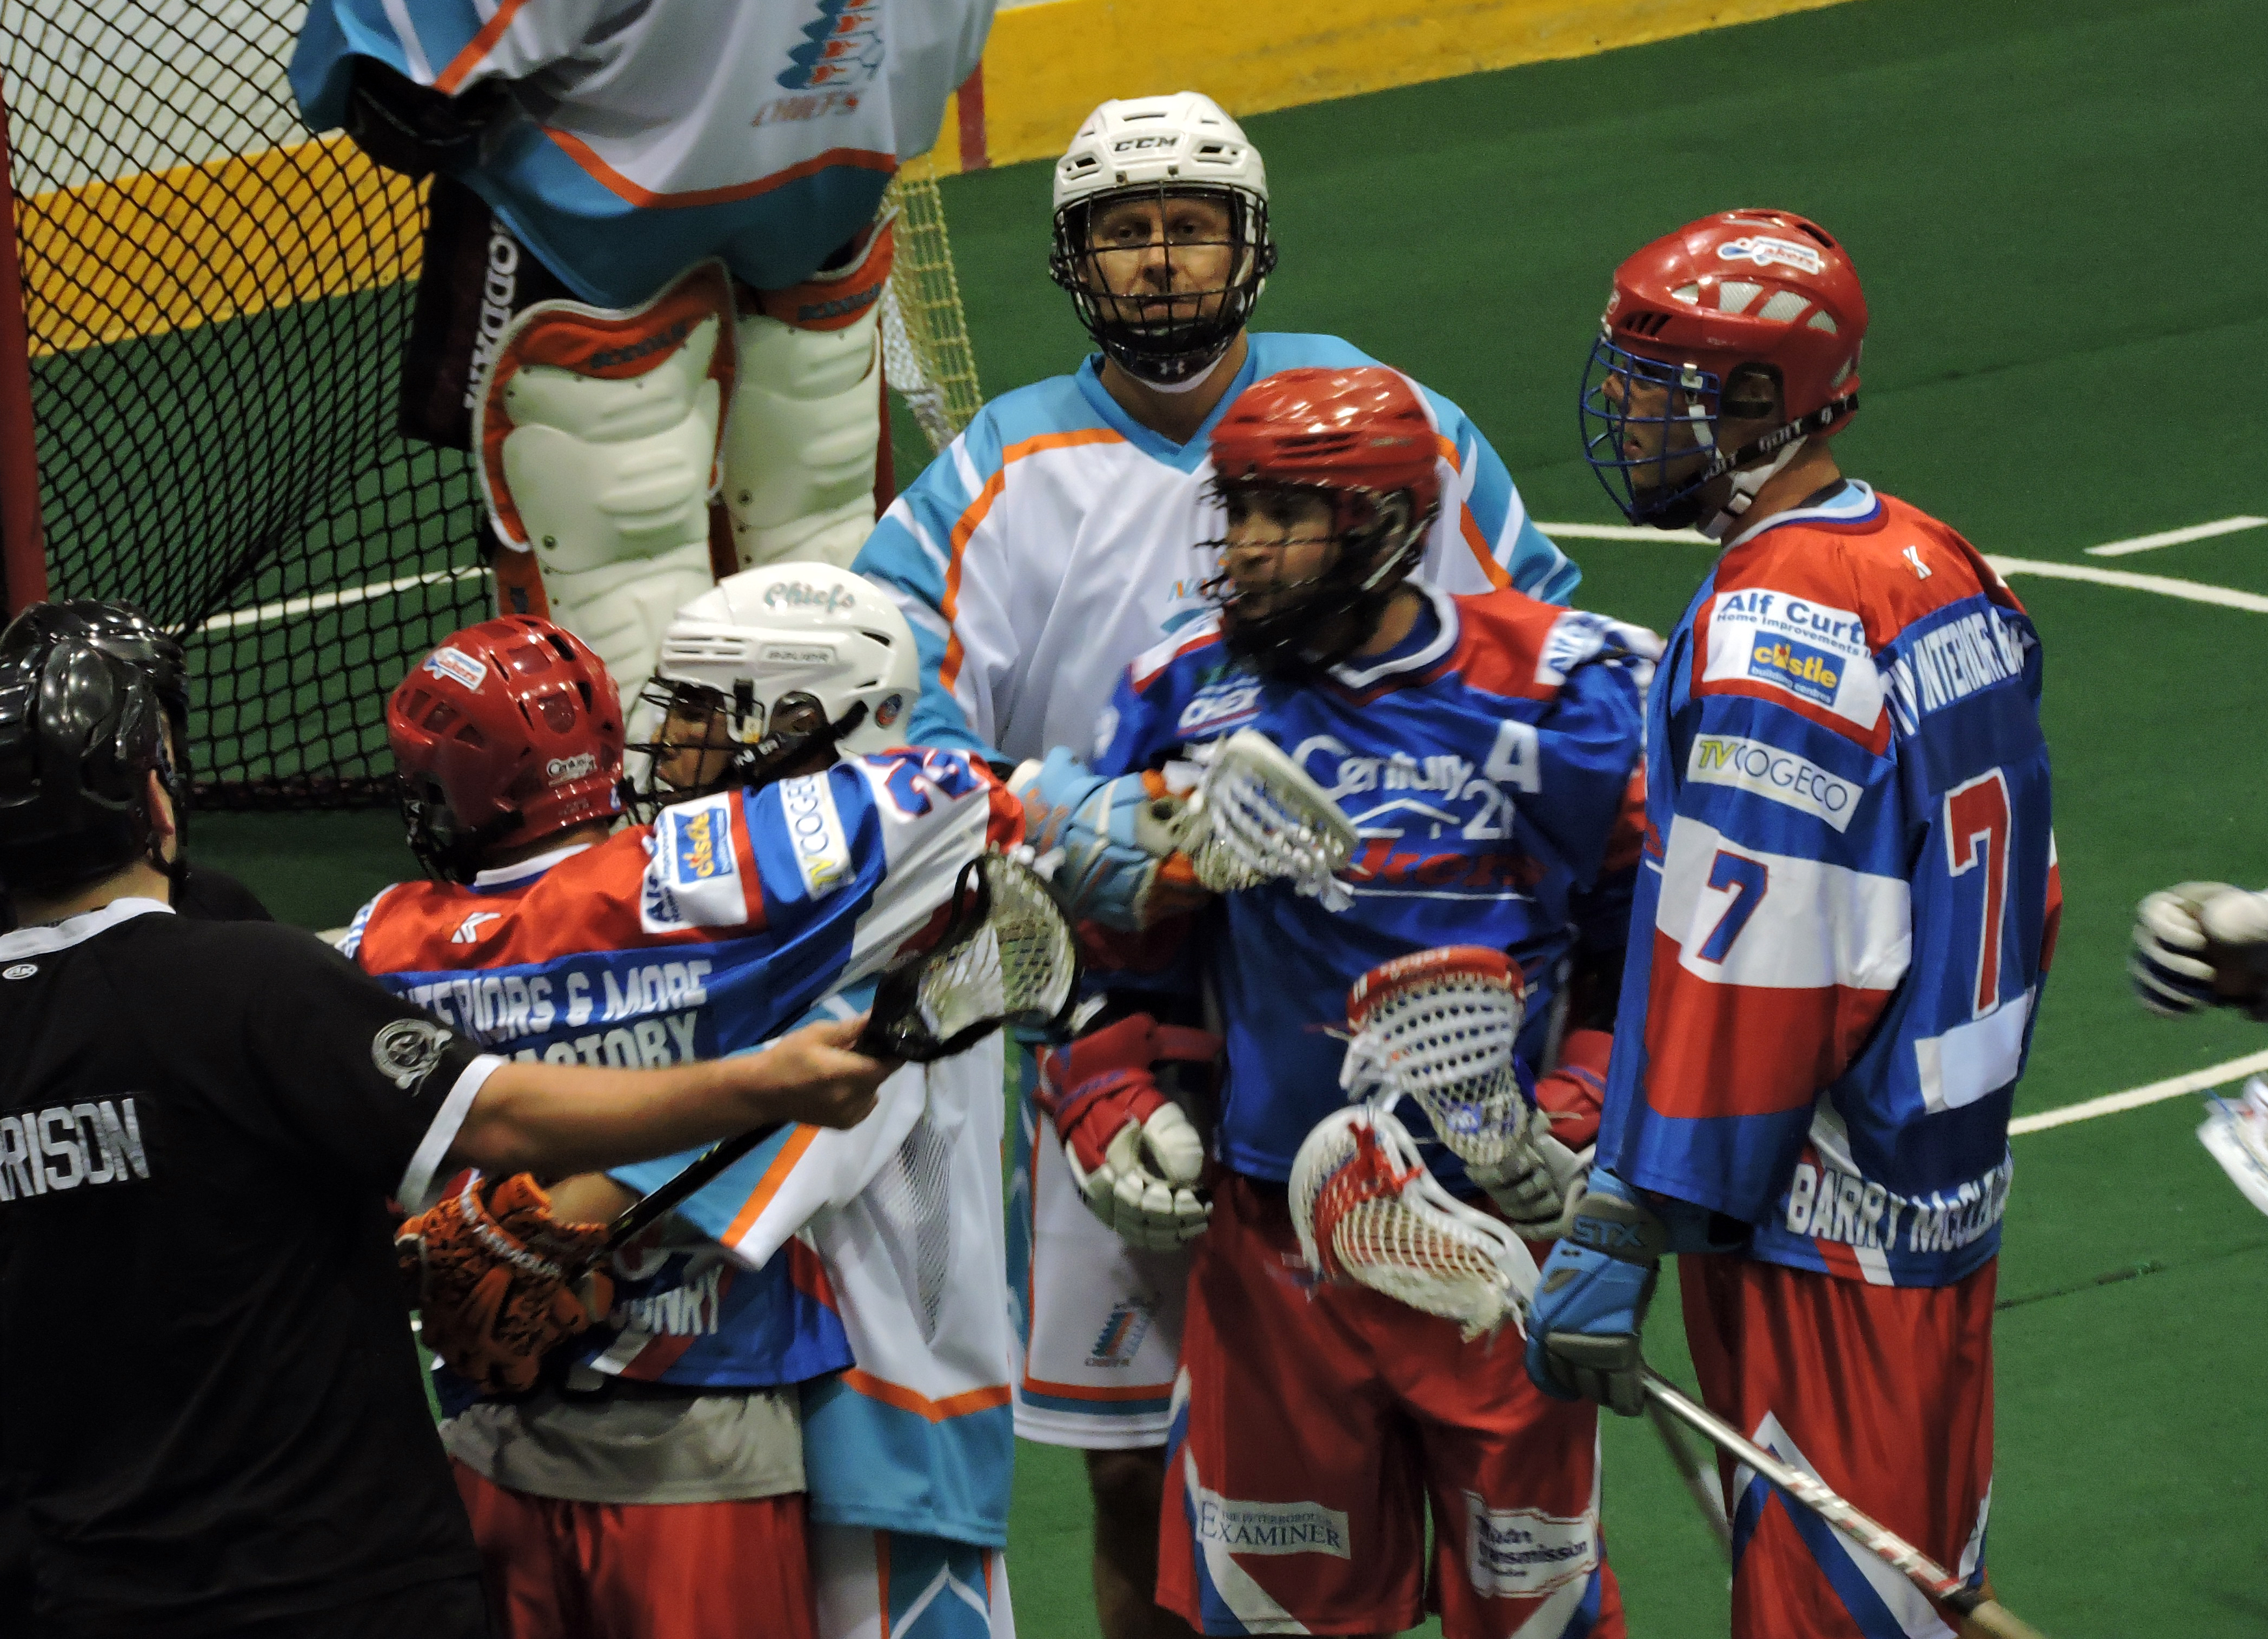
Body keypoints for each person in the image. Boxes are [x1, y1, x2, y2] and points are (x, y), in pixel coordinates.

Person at [852, 91, 1578, 1638]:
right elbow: (872, 717)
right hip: (1113, 1022)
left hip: (1384, 1018)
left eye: (1189, 227)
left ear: (1249, 248)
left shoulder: (1398, 426)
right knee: (1137, 1468)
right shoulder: (993, 472)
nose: (1162, 262)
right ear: (1075, 262)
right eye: (1126, 232)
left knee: (1463, 1453)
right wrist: (1061, 814)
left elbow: (1550, 652)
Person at [0, 600, 892, 1639]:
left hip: (85, 1588)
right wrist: (770, 1082)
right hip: (345, 1575)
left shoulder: (362, 947)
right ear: (153, 794)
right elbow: (505, 1119)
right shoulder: (248, 979)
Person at [1040, 365, 1647, 1637]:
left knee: (1532, 1620)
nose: (1245, 551)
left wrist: (1585, 1104)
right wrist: (1109, 1092)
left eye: (1284, 518)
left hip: (1499, 1230)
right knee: (1275, 1621)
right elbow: (1096, 947)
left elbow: (1641, 935)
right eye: (1238, 512)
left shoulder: (1562, 689)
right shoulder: (1179, 693)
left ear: (1382, 526)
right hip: (1271, 1252)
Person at [1524, 210, 2060, 1639]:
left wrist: (1637, 1200)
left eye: (1661, 385)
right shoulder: (1936, 565)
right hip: (1937, 1189)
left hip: (1820, 1222)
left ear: (1758, 401)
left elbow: (1758, 957)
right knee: (1903, 1588)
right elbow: (2024, 889)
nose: (1627, 417)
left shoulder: (1778, 618)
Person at [348, 569, 1019, 1638]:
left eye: (701, 705)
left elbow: (789, 1122)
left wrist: (537, 1217)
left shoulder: (882, 923)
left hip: (887, 1427)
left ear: (799, 719)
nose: (668, 736)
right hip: (755, 1419)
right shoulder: (753, 903)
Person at [289, 0, 994, 688]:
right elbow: (947, 49)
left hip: (593, 205)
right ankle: (843, 768)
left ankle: (641, 787)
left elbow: (396, 76)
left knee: (620, 551)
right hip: (835, 167)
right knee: (818, 506)